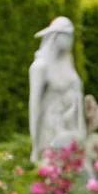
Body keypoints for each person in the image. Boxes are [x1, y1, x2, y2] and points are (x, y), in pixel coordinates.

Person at [29, 16, 86, 165]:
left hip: (72, 128)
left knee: (74, 173)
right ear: (56, 35)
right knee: (54, 171)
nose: (71, 39)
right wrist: (35, 146)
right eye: (68, 35)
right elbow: (34, 106)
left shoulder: (68, 64)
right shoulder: (40, 66)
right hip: (51, 127)